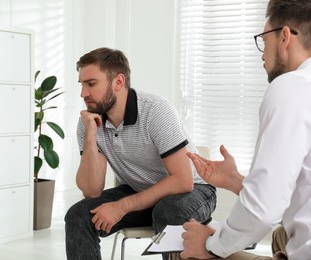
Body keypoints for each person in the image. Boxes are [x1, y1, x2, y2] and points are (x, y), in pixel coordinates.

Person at [180, 0, 311, 259]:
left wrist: (210, 246)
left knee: (189, 248)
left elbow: (263, 211)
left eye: (264, 40)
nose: (262, 53)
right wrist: (236, 181)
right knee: (279, 236)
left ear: (284, 36)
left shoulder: (294, 86)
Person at [65, 47, 217, 260]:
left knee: (167, 211)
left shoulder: (156, 111)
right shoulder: (89, 122)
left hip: (194, 191)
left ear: (118, 82)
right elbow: (91, 190)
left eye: (91, 84)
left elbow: (183, 181)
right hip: (143, 191)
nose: (83, 93)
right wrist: (90, 137)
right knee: (78, 215)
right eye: (82, 85)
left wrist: (121, 207)